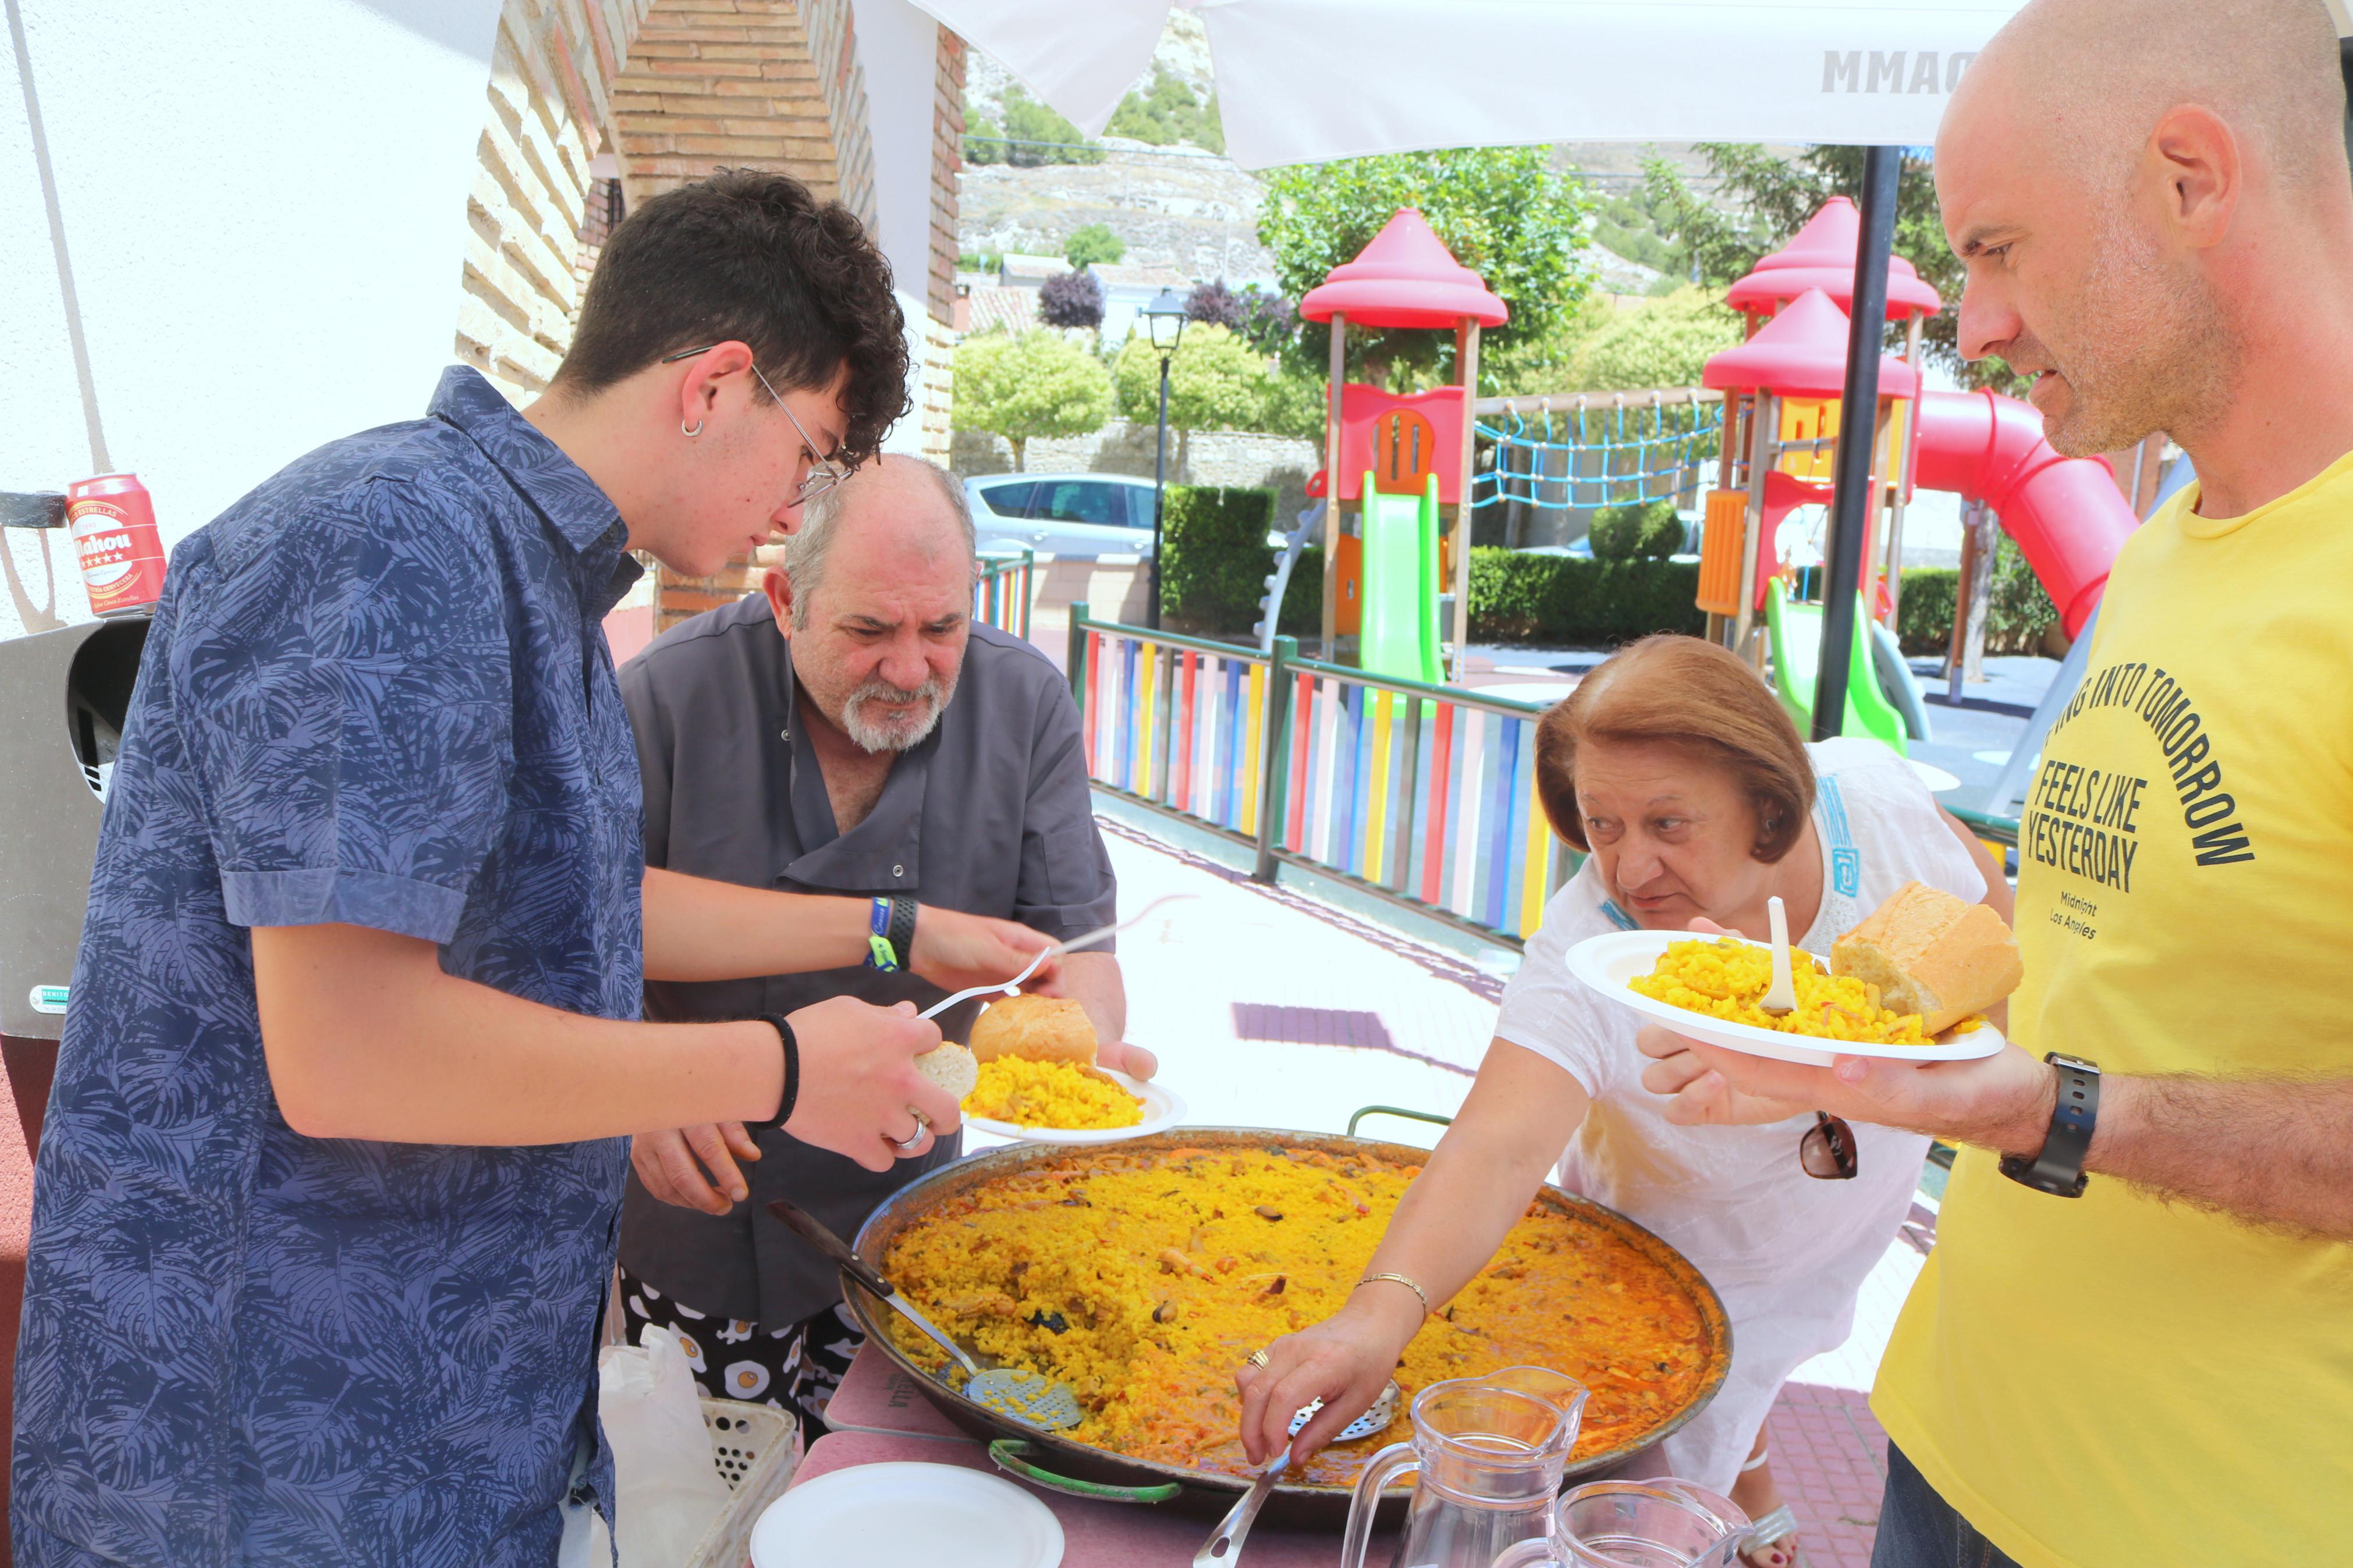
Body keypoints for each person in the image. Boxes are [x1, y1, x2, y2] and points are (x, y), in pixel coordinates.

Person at [10, 171, 1060, 1567]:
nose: (795, 506)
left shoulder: (523, 568)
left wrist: (891, 929)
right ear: (716, 384)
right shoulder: (392, 539)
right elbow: (349, 1048)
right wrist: (785, 1068)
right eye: (811, 455)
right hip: (265, 1454)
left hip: (442, 1428)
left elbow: (571, 910)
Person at [1638, 5, 2353, 1566]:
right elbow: (2070, 918)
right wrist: (1818, 1013)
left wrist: (2050, 1110)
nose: (1969, 322)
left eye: (2001, 248)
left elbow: (2076, 1088)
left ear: (2187, 179)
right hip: (1958, 1451)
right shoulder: (2169, 537)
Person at [1236, 636, 2010, 1568]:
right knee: (1662, 1484)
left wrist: (1903, 1063)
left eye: (1668, 825)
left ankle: (1754, 1462)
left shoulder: (1871, 810)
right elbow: (1499, 1147)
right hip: (1671, 1254)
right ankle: (1747, 1479)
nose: (1629, 869)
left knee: (1779, 1360)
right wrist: (1377, 1316)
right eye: (1604, 826)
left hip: (1843, 1210)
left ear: (1768, 806)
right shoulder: (1586, 948)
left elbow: (1985, 916)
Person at [613, 454, 1150, 1432]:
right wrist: (634, 1093)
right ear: (786, 600)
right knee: (713, 1511)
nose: (909, 671)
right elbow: (570, 940)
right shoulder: (665, 699)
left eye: (941, 628)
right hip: (710, 1208)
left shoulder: (1023, 705)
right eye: (868, 631)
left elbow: (1079, 946)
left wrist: (1087, 1050)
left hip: (934, 1220)